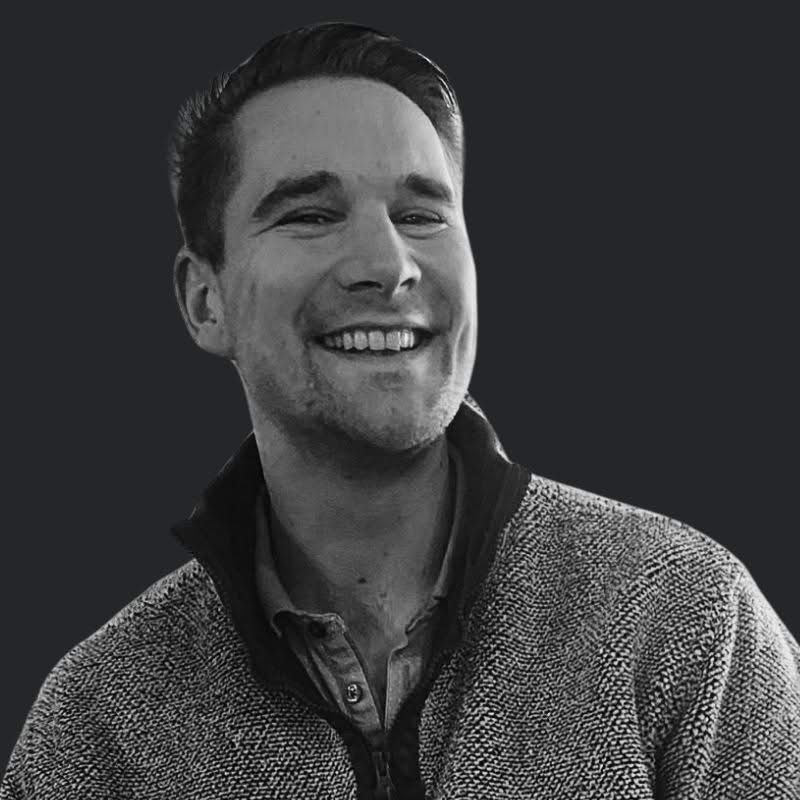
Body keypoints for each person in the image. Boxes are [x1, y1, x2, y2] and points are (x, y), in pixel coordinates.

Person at [3, 21, 798, 800]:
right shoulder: (97, 727)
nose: (388, 265)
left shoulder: (685, 621)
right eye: (311, 214)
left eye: (421, 215)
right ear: (203, 300)